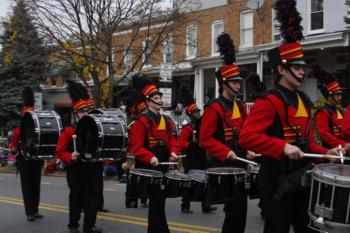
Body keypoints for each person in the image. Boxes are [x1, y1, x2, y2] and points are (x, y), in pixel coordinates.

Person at [238, 1, 340, 233]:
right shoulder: (269, 100)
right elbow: (246, 137)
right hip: (276, 179)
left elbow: (308, 142)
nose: (303, 71)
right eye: (297, 67)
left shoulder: (303, 99)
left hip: (302, 177)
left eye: (304, 67)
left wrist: (327, 154)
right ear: (282, 70)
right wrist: (281, 146)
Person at [199, 32, 254, 233]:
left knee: (241, 210)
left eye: (239, 82)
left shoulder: (239, 105)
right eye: (234, 82)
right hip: (224, 164)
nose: (238, 85)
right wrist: (225, 152)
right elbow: (205, 139)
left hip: (240, 162)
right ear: (224, 84)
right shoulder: (213, 108)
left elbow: (245, 133)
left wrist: (249, 150)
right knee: (235, 210)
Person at [128, 75, 180, 233]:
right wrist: (149, 157)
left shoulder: (167, 120)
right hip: (148, 163)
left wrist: (174, 153)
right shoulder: (141, 121)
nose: (160, 101)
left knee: (160, 201)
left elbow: (173, 140)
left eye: (160, 97)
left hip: (162, 161)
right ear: (148, 102)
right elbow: (136, 147)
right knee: (156, 201)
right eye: (156, 98)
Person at [56, 80, 103, 233]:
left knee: (92, 197)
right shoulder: (69, 131)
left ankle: (89, 226)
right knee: (76, 197)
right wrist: (71, 156)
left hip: (93, 166)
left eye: (87, 111)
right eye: (82, 112)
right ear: (76, 115)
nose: (86, 114)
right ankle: (73, 225)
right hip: (76, 169)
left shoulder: (97, 130)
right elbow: (60, 152)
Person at [10, 86, 44, 222]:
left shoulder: (19, 130)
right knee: (33, 185)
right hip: (30, 159)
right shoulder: (30, 128)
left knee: (31, 186)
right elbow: (13, 148)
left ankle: (32, 211)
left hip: (30, 159)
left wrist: (14, 149)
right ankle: (32, 211)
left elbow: (13, 148)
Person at [179, 96, 217, 214]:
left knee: (206, 180)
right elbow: (181, 142)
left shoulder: (203, 126)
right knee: (189, 182)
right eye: (196, 112)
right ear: (191, 115)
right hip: (191, 158)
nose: (198, 114)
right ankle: (185, 205)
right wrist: (191, 144)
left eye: (198, 111)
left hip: (203, 156)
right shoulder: (187, 128)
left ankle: (206, 205)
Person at [313, 65, 350, 151]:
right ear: (329, 96)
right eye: (337, 95)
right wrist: (344, 144)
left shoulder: (340, 110)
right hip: (332, 150)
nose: (340, 98)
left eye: (340, 95)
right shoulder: (323, 112)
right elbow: (324, 134)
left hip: (345, 149)